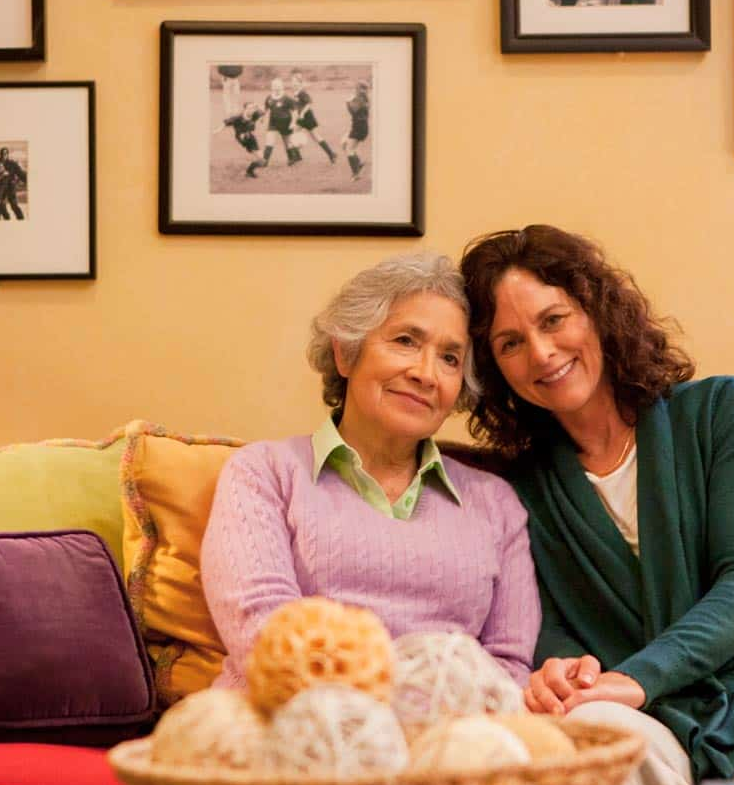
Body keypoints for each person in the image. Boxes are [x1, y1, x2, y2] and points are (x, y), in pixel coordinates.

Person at [459, 225, 734, 785]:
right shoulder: (520, 488)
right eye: (509, 343)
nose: (540, 353)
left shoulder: (725, 413)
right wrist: (566, 674)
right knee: (588, 764)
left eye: (554, 319)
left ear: (597, 311)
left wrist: (635, 679)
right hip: (653, 720)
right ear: (493, 368)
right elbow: (553, 624)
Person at [201, 252, 540, 694]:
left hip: (448, 742)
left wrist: (425, 732)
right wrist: (383, 720)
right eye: (405, 340)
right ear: (346, 353)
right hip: (289, 729)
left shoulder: (495, 503)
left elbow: (509, 666)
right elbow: (264, 638)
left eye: (451, 359)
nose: (425, 374)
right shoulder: (265, 474)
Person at [290, 72, 338, 164]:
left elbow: (309, 103)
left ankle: (331, 154)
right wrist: (294, 120)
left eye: (295, 81)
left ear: (300, 83)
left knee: (315, 136)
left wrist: (303, 113)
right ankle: (297, 157)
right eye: (292, 81)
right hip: (301, 118)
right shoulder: (295, 93)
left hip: (308, 117)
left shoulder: (302, 92)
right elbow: (296, 107)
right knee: (294, 133)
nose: (293, 83)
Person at [224, 101, 267, 178]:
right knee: (261, 159)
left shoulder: (255, 114)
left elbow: (263, 112)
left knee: (262, 161)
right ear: (245, 109)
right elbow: (226, 123)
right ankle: (249, 172)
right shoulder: (238, 117)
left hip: (251, 137)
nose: (251, 110)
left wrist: (261, 118)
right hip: (243, 138)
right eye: (249, 108)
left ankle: (249, 172)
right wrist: (215, 131)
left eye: (252, 108)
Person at [262, 77, 299, 167]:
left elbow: (295, 111)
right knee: (269, 141)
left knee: (287, 143)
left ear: (282, 86)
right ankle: (264, 162)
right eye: (274, 86)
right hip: (273, 123)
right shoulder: (269, 98)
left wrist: (293, 123)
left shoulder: (287, 98)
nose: (276, 87)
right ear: (271, 87)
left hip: (286, 123)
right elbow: (266, 109)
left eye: (278, 86)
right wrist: (262, 118)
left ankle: (292, 159)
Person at [342, 80, 370, 179]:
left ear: (360, 89)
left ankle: (356, 174)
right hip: (360, 126)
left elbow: (353, 111)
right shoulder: (364, 97)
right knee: (345, 144)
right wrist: (350, 101)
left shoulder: (360, 99)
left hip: (359, 127)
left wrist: (348, 102)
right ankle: (359, 163)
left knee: (349, 149)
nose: (354, 89)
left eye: (356, 88)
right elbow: (354, 112)